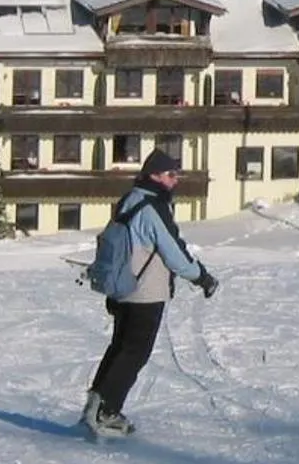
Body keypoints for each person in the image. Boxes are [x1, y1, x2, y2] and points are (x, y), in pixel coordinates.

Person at [81, 148, 217, 439]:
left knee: (120, 348)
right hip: (144, 291)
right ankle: (106, 412)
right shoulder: (152, 206)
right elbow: (173, 251)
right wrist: (201, 277)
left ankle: (96, 406)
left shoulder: (130, 199)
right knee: (135, 352)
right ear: (154, 175)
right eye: (170, 174)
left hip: (122, 287)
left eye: (176, 174)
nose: (175, 180)